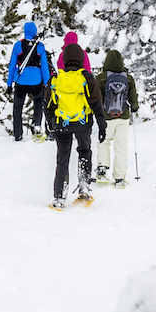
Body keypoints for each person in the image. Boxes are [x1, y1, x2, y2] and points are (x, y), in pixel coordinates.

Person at [47, 42, 101, 210]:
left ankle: (59, 198)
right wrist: (102, 124)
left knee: (62, 158)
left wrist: (50, 123)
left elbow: (48, 104)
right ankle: (84, 190)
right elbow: (97, 102)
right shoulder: (87, 77)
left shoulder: (56, 78)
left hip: (62, 124)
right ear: (81, 59)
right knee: (84, 152)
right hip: (82, 123)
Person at [96, 49, 140, 187]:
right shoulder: (128, 78)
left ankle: (102, 168)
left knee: (104, 142)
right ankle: (119, 178)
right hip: (123, 117)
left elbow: (97, 97)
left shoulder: (101, 77)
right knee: (121, 146)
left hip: (106, 117)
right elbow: (133, 97)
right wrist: (134, 107)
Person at [4, 21, 52, 141]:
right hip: (36, 81)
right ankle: (36, 127)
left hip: (20, 81)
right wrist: (46, 83)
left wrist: (9, 84)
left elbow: (12, 65)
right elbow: (45, 67)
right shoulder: (40, 46)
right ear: (35, 32)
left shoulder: (18, 45)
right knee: (38, 103)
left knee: (17, 107)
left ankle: (18, 134)